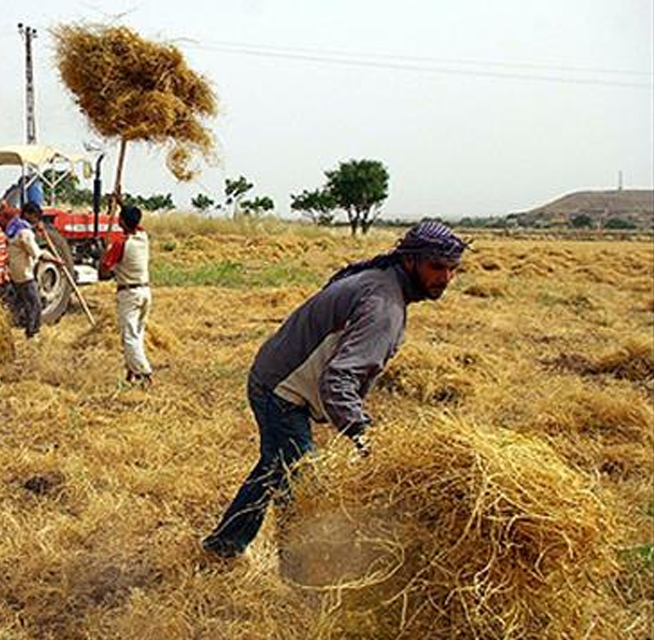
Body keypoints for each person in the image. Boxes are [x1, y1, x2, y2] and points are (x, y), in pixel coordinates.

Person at [201, 221, 469, 560]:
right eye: (436, 267)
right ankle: (299, 572)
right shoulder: (384, 304)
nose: (445, 278)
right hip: (282, 391)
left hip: (273, 374)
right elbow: (338, 379)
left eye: (452, 269)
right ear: (410, 261)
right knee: (301, 487)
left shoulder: (381, 280)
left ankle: (224, 545)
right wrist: (363, 434)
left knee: (275, 468)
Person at [100, 205, 152, 386]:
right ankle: (132, 373)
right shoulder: (143, 237)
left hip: (129, 294)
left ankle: (144, 374)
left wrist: (104, 255)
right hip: (145, 292)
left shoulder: (121, 244)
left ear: (121, 221)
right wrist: (121, 202)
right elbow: (133, 221)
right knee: (137, 334)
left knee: (129, 337)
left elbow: (103, 273)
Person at [5, 202, 63, 338]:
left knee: (19, 303)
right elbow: (38, 253)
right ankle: (33, 333)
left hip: (14, 271)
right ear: (27, 215)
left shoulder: (13, 226)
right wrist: (56, 260)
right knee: (34, 304)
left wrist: (37, 231)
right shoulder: (25, 232)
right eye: (35, 217)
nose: (37, 220)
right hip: (24, 274)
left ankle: (14, 326)